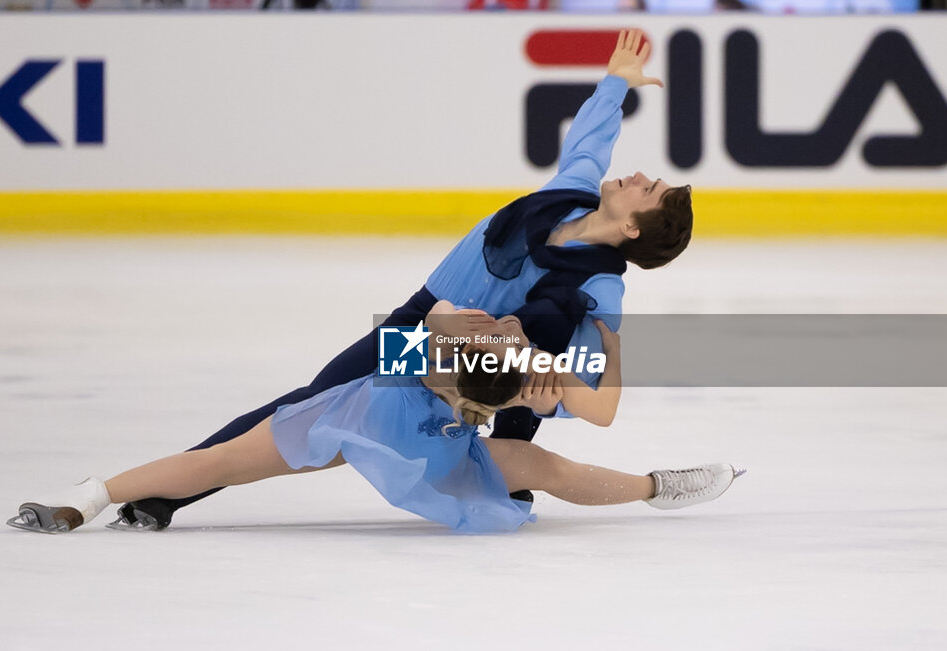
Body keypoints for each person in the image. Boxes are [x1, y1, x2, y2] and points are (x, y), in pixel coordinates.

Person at [114, 29, 694, 531]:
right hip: (422, 326)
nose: (639, 176)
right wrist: (615, 83)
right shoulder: (567, 192)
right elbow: (589, 140)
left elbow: (585, 379)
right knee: (305, 406)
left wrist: (546, 400)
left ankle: (502, 482)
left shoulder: (604, 287)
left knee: (518, 401)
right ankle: (175, 485)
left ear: (635, 230)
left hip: (491, 356)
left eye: (650, 190)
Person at [8, 302, 740, 535]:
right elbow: (580, 403)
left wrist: (506, 346)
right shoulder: (512, 371)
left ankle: (88, 497)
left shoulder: (455, 343)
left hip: (369, 416)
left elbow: (438, 324)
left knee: (218, 462)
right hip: (422, 442)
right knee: (543, 468)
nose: (514, 324)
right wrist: (599, 347)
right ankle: (656, 486)